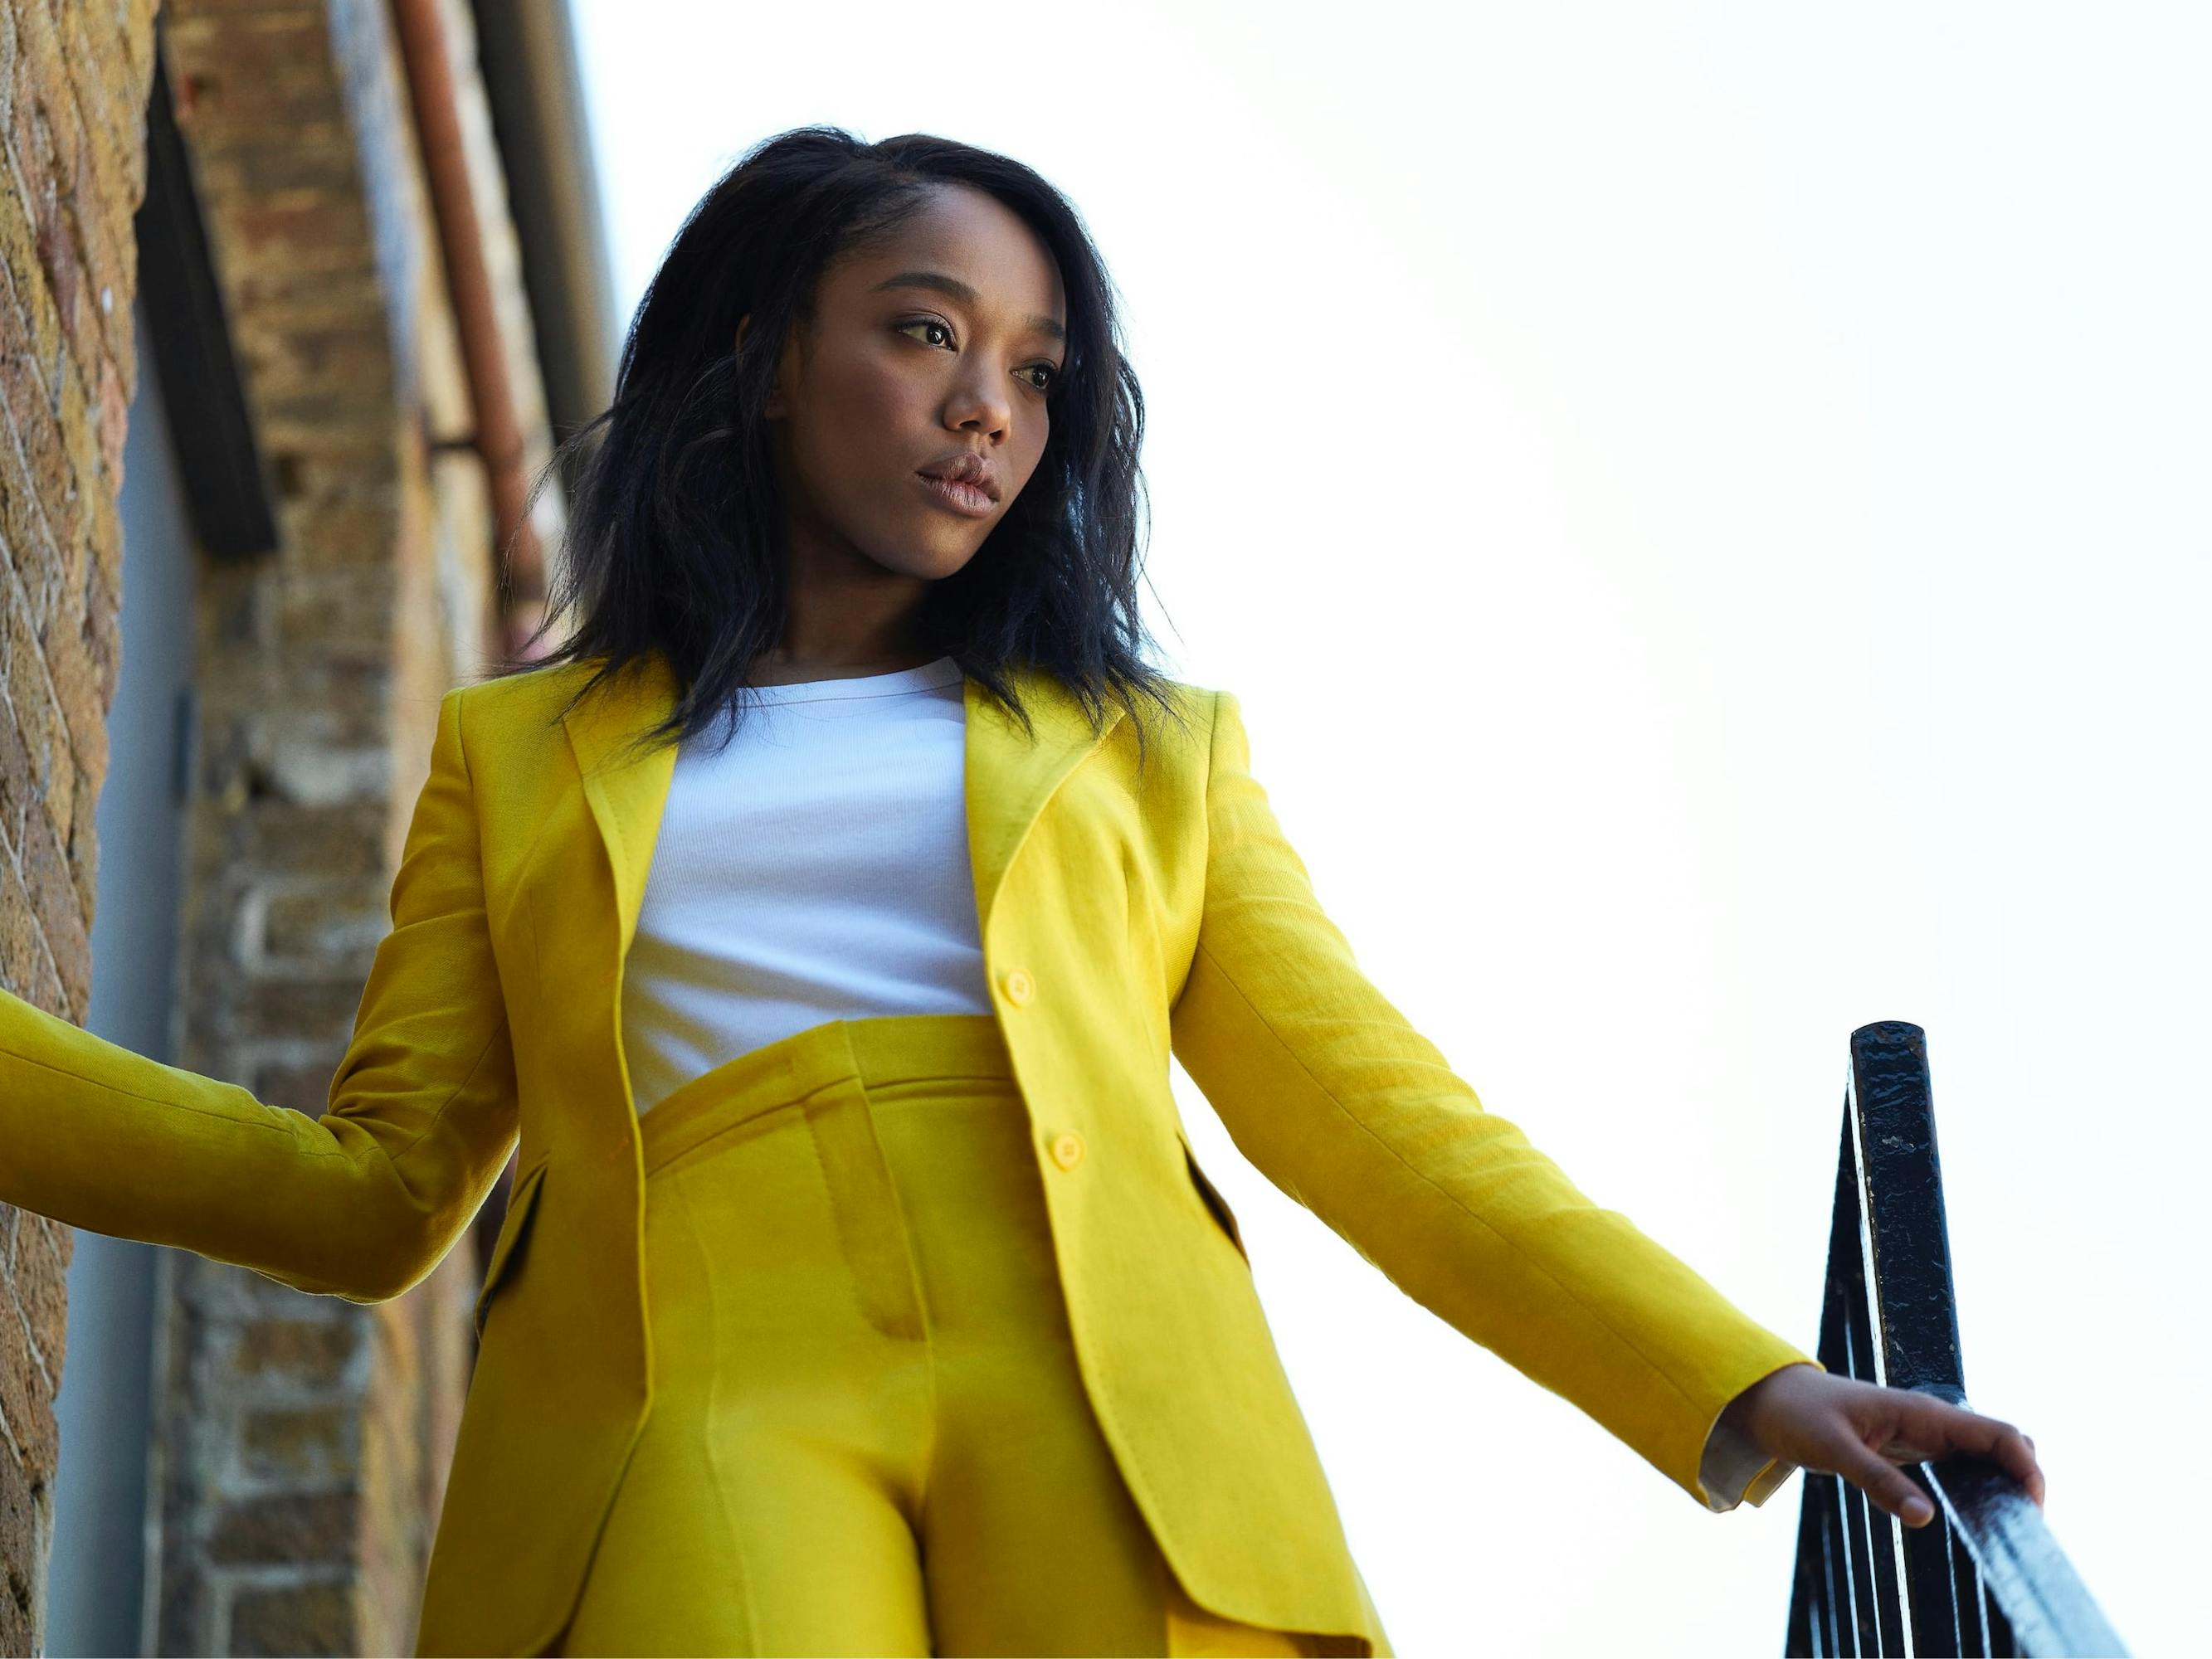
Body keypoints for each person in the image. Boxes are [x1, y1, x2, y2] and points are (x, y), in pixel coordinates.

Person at [0, 125, 2044, 1658]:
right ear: (764, 356)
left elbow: (1380, 1125)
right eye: (923, 332)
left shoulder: (1152, 754)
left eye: (1039, 366)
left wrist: (1739, 1375)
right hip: (697, 1397)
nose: (991, 403)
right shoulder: (521, 755)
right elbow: (371, 1196)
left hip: (1110, 1405)